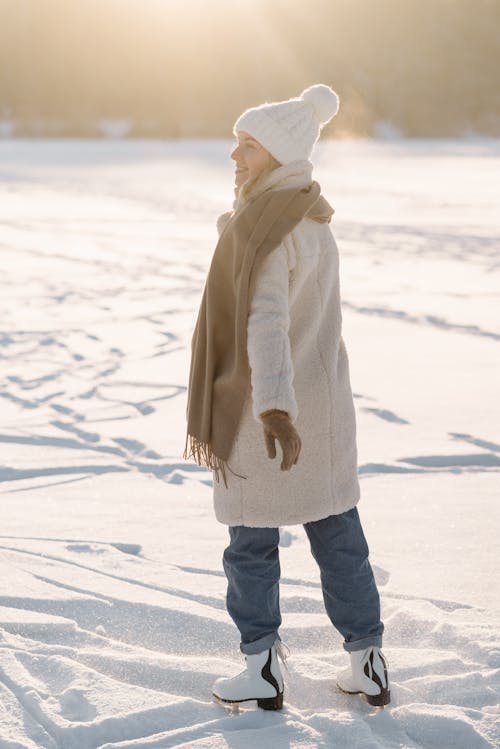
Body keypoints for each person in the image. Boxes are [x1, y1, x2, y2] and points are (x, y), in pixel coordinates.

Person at [183, 84, 390, 710]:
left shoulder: (267, 231)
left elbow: (265, 324)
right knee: (338, 532)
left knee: (250, 543)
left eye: (247, 145)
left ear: (276, 154)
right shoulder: (309, 216)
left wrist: (274, 407)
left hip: (269, 413)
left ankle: (263, 669)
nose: (234, 155)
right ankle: (368, 662)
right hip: (323, 408)